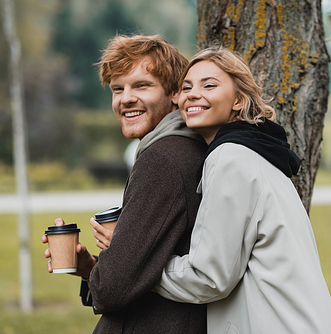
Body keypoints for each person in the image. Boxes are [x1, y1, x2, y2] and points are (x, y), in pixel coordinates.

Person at [149, 47, 331, 333]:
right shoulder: (258, 152)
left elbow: (210, 277)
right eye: (186, 87)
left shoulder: (230, 157)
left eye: (209, 85)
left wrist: (144, 268)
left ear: (238, 100)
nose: (191, 93)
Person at [42, 34, 207, 333]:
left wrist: (105, 267)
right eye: (118, 89)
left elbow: (114, 288)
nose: (126, 98)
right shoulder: (184, 148)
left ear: (174, 93)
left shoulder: (162, 159)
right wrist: (91, 268)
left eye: (141, 86)